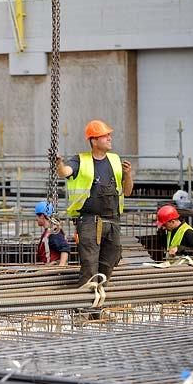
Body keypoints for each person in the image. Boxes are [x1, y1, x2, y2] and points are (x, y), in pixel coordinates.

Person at [56, 119, 133, 284]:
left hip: (112, 219)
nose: (110, 138)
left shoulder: (114, 160)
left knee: (109, 261)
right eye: (105, 136)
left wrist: (128, 175)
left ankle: (100, 299)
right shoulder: (80, 160)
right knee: (90, 264)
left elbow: (127, 191)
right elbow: (65, 172)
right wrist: (59, 164)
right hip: (90, 220)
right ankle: (86, 306)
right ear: (94, 140)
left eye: (109, 135)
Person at [35, 201, 70, 266]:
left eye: (36, 216)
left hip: (54, 270)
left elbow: (65, 248)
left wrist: (61, 265)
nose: (36, 218)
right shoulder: (48, 232)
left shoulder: (54, 232)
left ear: (42, 216)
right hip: (49, 268)